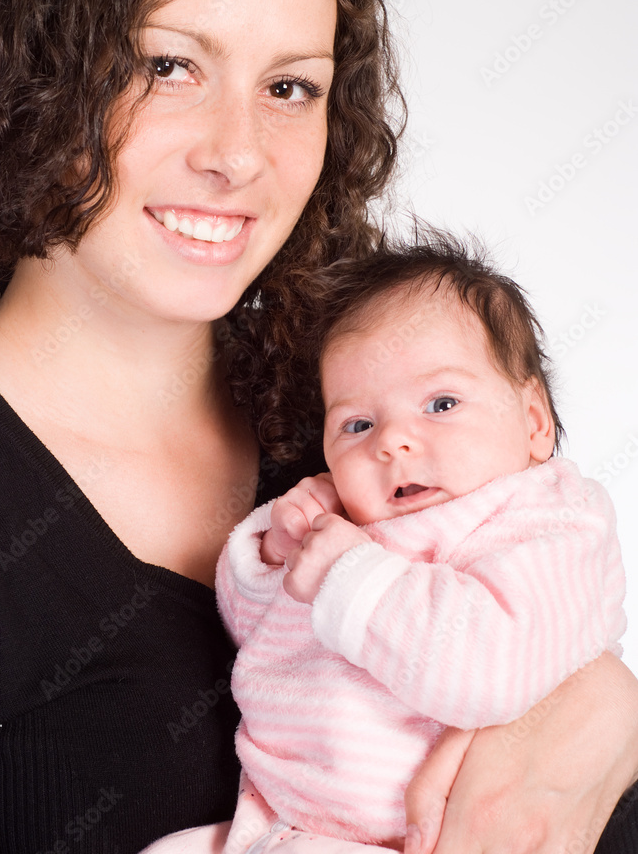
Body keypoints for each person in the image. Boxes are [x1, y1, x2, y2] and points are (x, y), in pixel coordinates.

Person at [0, 0, 635, 852]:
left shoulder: (373, 402)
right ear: (28, 73)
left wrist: (604, 707)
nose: (237, 154)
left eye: (289, 86)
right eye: (167, 66)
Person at [213, 234, 626, 847]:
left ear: (535, 422)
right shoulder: (356, 529)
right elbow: (260, 642)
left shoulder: (553, 524)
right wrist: (277, 556)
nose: (391, 441)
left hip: (421, 831)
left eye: (441, 403)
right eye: (358, 423)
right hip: (279, 820)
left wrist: (348, 574)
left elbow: (493, 668)